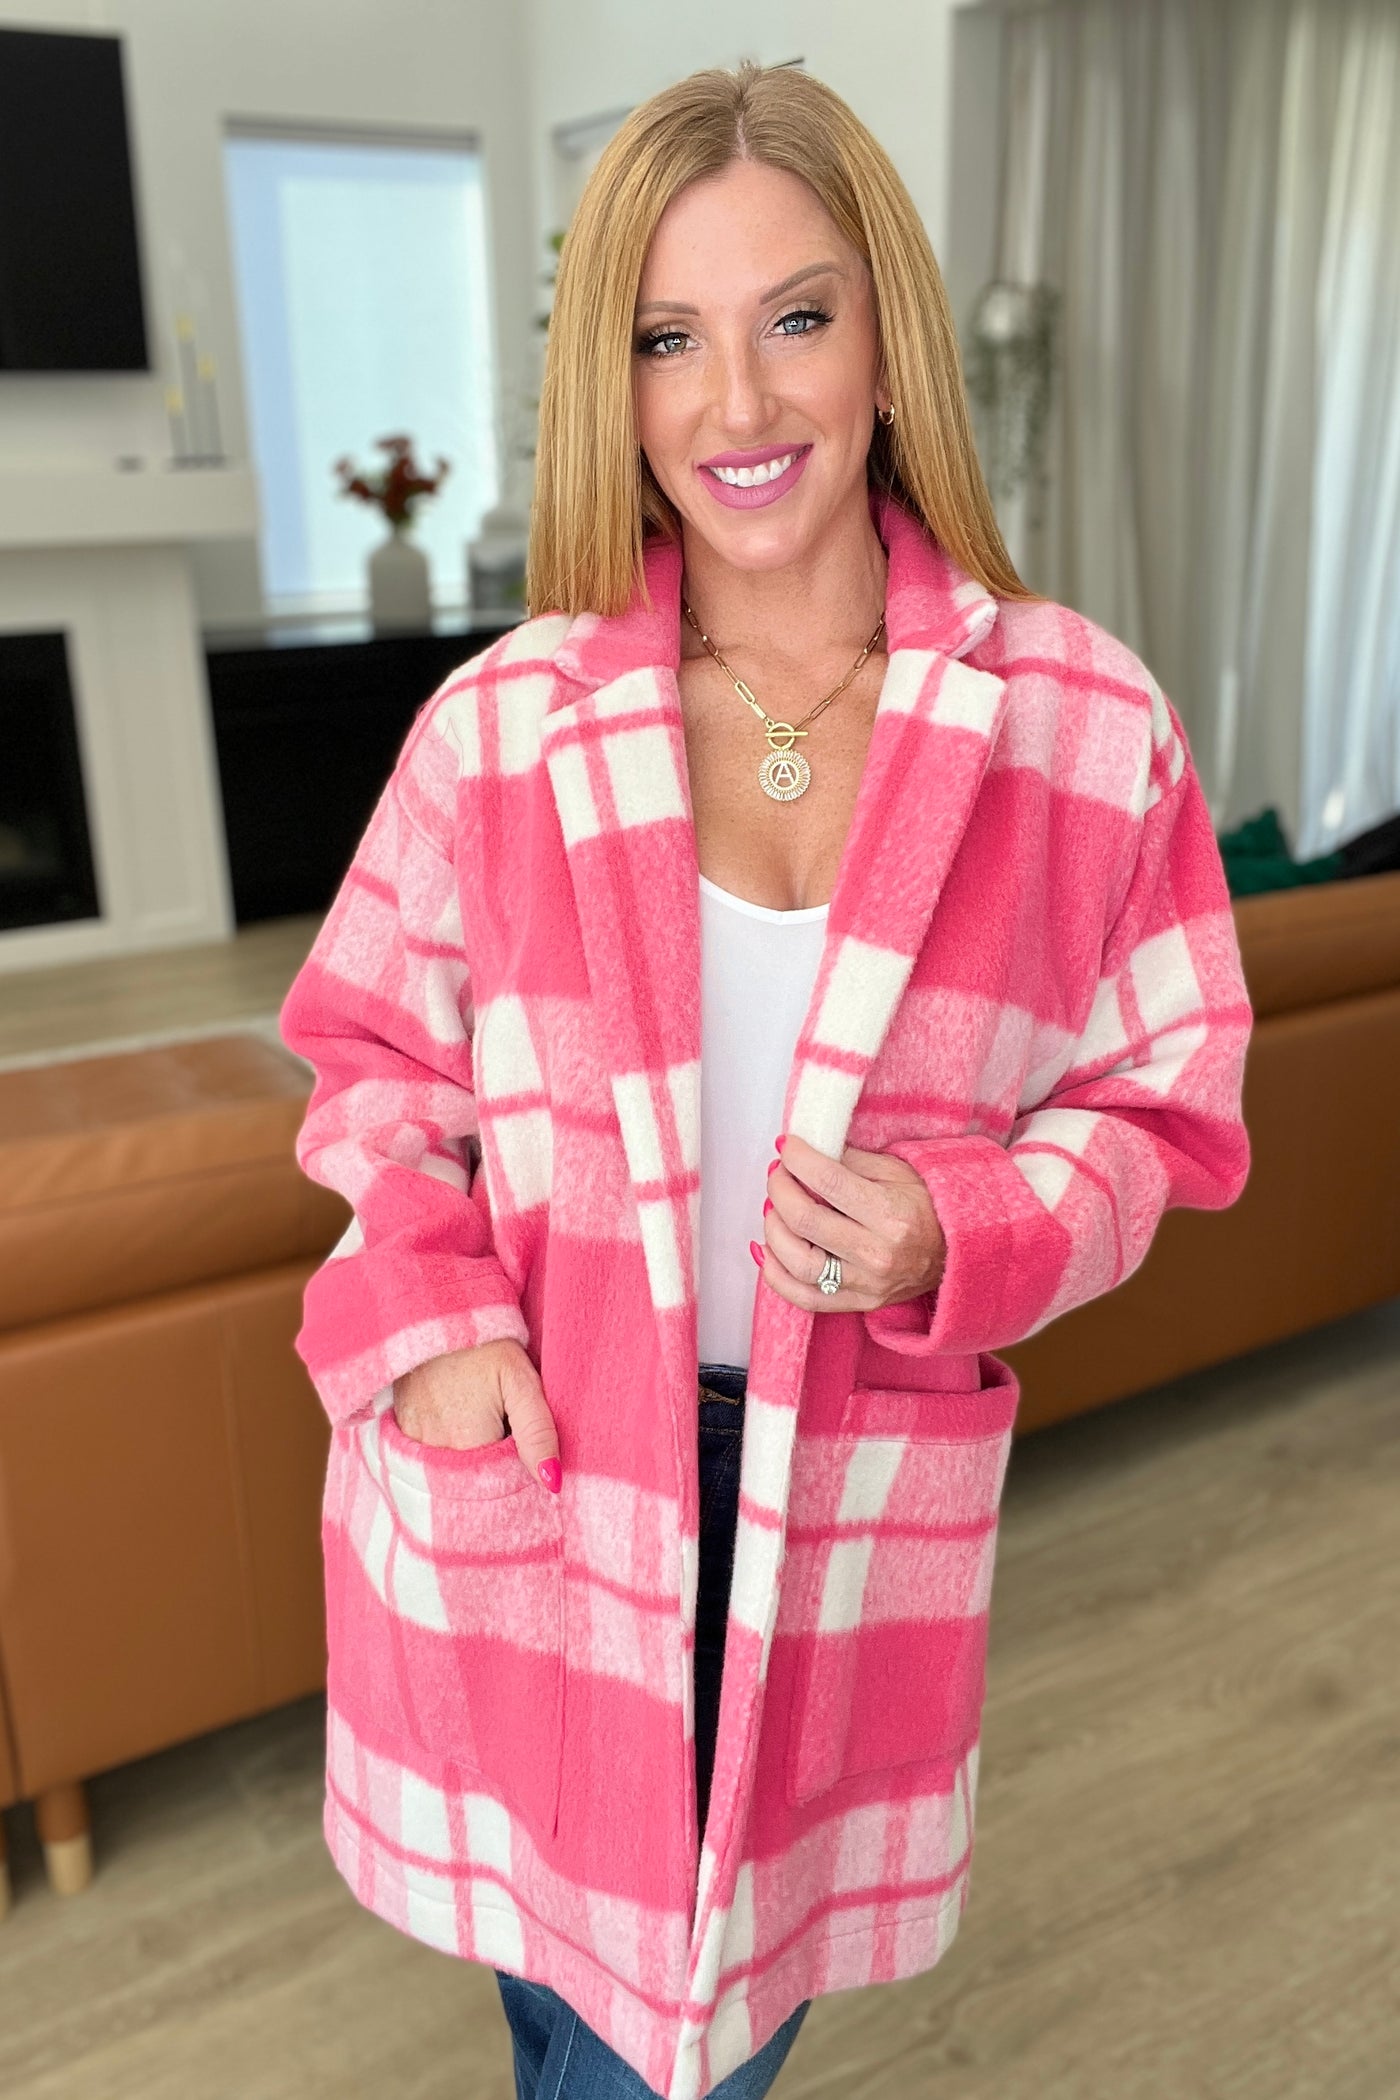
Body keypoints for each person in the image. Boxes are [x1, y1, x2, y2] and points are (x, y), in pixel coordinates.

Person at [278, 59, 1252, 2100]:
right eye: (667, 339)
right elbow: (368, 1057)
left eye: (795, 317)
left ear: (887, 343)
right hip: (540, 1454)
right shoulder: (499, 729)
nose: (736, 401)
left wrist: (961, 1225)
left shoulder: (1079, 727)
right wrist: (437, 1324)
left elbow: (1166, 1104)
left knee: (689, 2027)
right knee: (587, 2016)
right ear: (612, 386)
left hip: (840, 1482)